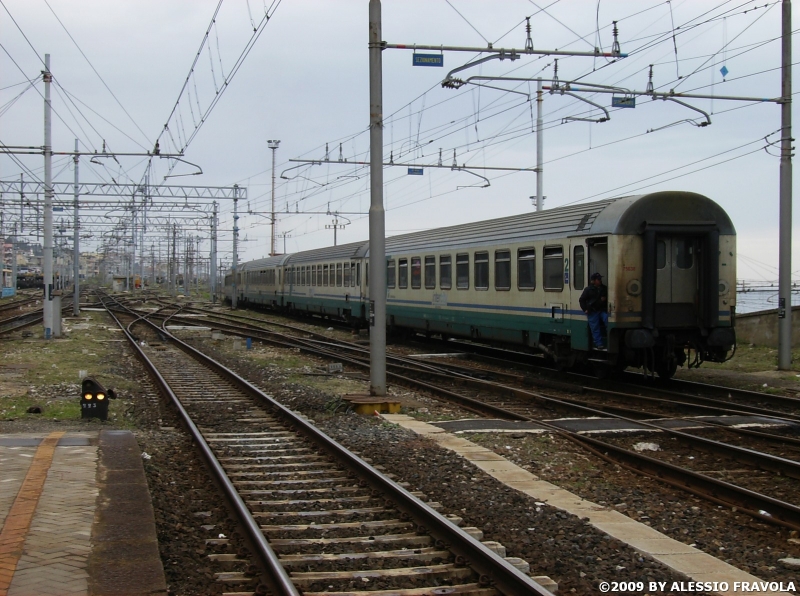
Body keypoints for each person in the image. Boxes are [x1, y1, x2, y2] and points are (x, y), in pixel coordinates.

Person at [579, 272, 608, 350]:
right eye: (598, 279)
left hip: (602, 310)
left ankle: (608, 341)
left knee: (608, 321)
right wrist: (585, 309)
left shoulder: (604, 288)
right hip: (593, 311)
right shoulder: (588, 290)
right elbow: (582, 300)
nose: (600, 280)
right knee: (595, 328)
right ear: (594, 281)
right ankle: (599, 344)